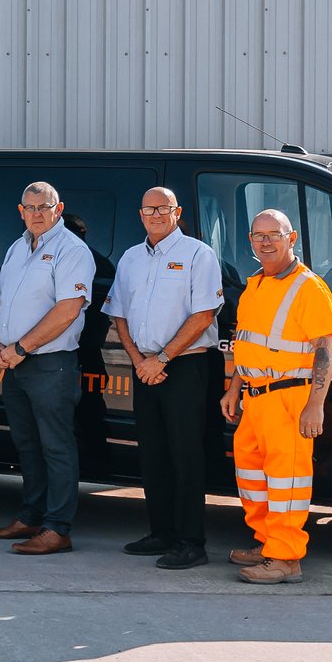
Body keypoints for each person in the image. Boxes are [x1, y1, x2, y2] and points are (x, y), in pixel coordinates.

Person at [106, 185, 224, 569]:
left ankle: (191, 542)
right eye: (148, 209)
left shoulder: (198, 254)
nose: (155, 215)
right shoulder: (130, 258)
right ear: (140, 215)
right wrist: (140, 359)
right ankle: (162, 533)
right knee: (153, 454)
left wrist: (163, 358)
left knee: (186, 455)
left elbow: (204, 314)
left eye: (163, 208)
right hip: (144, 368)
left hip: (185, 366)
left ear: (178, 212)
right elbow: (118, 313)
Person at [223, 209, 332, 584]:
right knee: (253, 479)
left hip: (290, 398)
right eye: (258, 235)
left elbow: (325, 348)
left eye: (274, 234)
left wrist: (315, 405)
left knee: (287, 482)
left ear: (292, 240)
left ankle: (286, 559)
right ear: (251, 242)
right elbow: (248, 343)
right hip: (255, 400)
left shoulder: (308, 286)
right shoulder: (255, 283)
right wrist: (234, 388)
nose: (266, 241)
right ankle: (268, 543)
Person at [0, 180, 96, 556]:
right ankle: (30, 516)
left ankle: (57, 528)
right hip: (14, 364)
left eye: (43, 207)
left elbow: (67, 310)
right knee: (27, 445)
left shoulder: (72, 250)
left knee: (57, 447)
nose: (35, 214)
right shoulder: (18, 247)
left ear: (58, 209)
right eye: (29, 208)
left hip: (50, 365)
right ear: (20, 211)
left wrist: (20, 347)